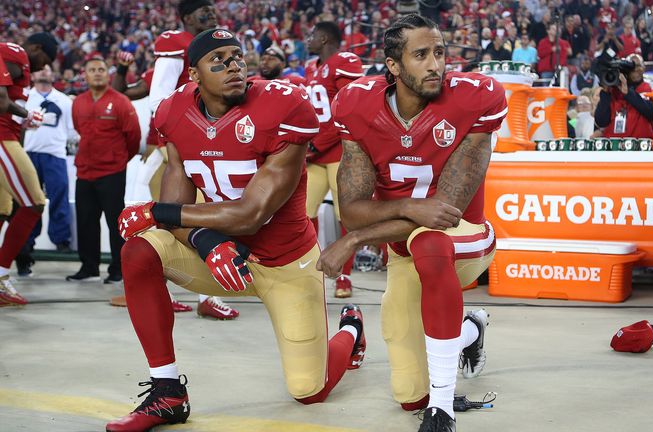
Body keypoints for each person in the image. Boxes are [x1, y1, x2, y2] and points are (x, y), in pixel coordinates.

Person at [109, 29, 365, 431]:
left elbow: (251, 214)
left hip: (285, 262)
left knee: (308, 391)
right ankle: (168, 390)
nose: (233, 66)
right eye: (219, 60)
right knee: (139, 249)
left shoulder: (282, 105)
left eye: (237, 57)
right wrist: (207, 242)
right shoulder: (173, 113)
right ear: (193, 75)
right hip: (222, 257)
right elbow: (178, 214)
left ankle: (350, 328)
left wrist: (156, 210)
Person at [319, 14, 503, 431]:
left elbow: (445, 213)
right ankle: (471, 329)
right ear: (394, 66)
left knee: (430, 240)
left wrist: (353, 241)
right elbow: (351, 209)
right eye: (421, 55)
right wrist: (409, 210)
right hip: (403, 251)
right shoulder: (356, 104)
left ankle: (442, 408)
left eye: (439, 52)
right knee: (407, 395)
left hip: (466, 237)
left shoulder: (474, 98)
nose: (436, 64)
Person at [133, 0, 237, 318]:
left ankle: (205, 294)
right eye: (203, 11)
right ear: (187, 18)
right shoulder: (174, 42)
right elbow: (160, 99)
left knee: (201, 214)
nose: (211, 14)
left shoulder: (211, 49)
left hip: (201, 143)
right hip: (178, 145)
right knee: (167, 218)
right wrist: (175, 136)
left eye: (213, 10)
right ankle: (163, 291)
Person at [304, 21, 364, 298]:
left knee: (347, 217)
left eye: (312, 34)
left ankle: (344, 277)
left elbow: (350, 109)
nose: (308, 39)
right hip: (315, 155)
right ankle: (310, 271)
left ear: (325, 37)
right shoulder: (312, 68)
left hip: (339, 152)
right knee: (303, 213)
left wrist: (317, 144)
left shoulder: (345, 60)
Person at [69, 57, 140, 284]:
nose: (97, 73)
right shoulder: (78, 102)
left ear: (107, 74)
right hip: (85, 172)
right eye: (92, 70)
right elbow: (79, 129)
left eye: (101, 69)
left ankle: (117, 270)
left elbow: (133, 137)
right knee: (86, 221)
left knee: (114, 223)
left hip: (112, 172)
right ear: (85, 75)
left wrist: (118, 161)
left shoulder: (121, 102)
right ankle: (89, 267)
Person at [0, 33, 58, 306]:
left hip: (7, 134)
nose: (41, 68)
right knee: (34, 202)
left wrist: (20, 120)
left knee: (2, 209)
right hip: (1, 138)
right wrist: (26, 115)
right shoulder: (14, 53)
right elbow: (0, 100)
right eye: (44, 59)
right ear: (35, 48)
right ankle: (0, 276)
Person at [16, 65, 78, 276]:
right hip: (29, 153)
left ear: (53, 74)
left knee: (59, 196)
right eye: (40, 70)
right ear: (32, 75)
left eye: (47, 69)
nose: (44, 72)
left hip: (56, 154)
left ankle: (61, 240)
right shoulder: (26, 97)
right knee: (30, 201)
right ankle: (27, 243)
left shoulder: (64, 100)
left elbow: (71, 131)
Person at [594, 54, 653, 138]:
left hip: (640, 144)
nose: (635, 69)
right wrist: (605, 92)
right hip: (614, 145)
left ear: (644, 68)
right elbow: (601, 121)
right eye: (631, 67)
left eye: (638, 66)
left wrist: (628, 93)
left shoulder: (650, 88)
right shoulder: (612, 91)